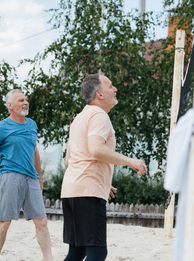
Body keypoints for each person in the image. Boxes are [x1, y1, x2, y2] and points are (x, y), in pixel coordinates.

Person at [61, 73, 148, 261]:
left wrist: (102, 182)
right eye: (110, 86)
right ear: (99, 94)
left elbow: (70, 159)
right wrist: (130, 161)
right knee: (97, 252)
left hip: (71, 190)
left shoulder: (80, 118)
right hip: (87, 192)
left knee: (77, 252)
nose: (115, 89)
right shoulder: (99, 115)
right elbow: (95, 150)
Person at [0, 89, 54, 261]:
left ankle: (49, 259)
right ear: (10, 106)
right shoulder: (2, 127)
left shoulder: (32, 125)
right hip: (10, 177)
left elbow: (34, 151)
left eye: (26, 99)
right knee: (5, 222)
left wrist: (39, 176)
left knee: (42, 221)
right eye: (21, 100)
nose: (25, 102)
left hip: (31, 178)